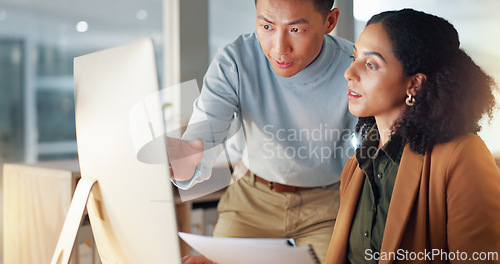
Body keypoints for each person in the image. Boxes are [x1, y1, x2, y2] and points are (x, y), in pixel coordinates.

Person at [169, 0, 357, 262]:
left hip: (327, 204)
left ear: (330, 21)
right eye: (267, 26)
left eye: (296, 30)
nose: (279, 49)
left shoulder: (355, 67)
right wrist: (187, 160)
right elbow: (206, 129)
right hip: (251, 199)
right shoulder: (235, 60)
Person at [325, 8, 500, 264]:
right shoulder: (356, 166)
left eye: (371, 64)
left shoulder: (462, 156)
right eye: (354, 57)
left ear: (415, 84)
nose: (349, 73)